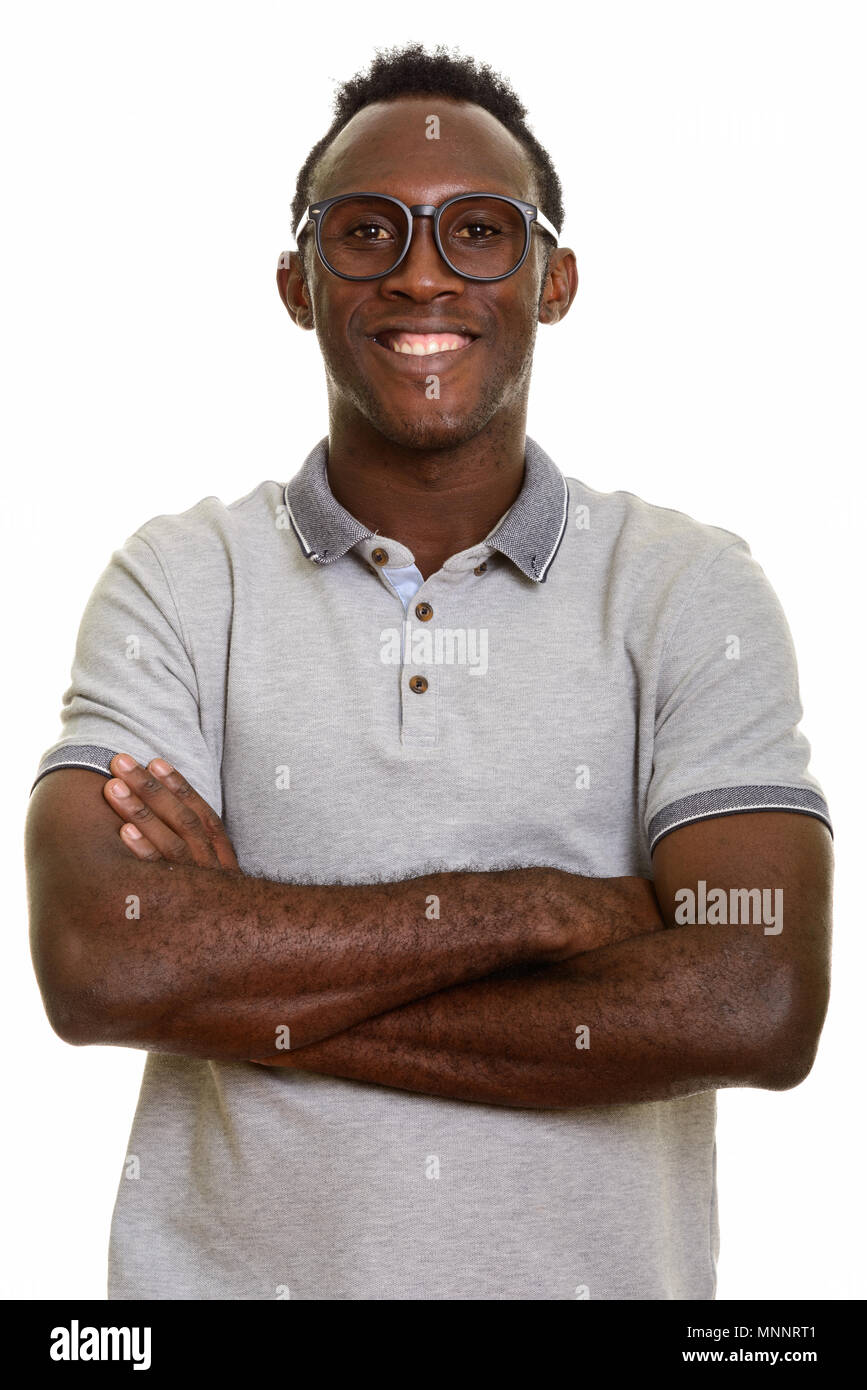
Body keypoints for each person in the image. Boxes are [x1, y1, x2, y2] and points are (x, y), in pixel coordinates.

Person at [25, 44, 833, 1301]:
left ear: (553, 280)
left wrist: (240, 981)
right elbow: (105, 961)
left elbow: (755, 992)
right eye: (364, 232)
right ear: (296, 282)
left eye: (477, 232)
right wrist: (561, 911)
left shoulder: (689, 589)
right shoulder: (182, 579)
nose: (418, 271)